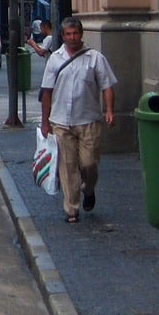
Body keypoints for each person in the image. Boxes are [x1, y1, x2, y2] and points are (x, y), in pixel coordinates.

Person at [40, 17, 118, 223]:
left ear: (81, 34)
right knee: (67, 167)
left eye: (75, 33)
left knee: (89, 164)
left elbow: (107, 85)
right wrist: (45, 121)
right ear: (63, 36)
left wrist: (110, 110)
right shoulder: (55, 59)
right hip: (61, 122)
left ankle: (88, 189)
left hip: (88, 121)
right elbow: (46, 92)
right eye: (68, 34)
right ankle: (71, 209)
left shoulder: (95, 58)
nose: (72, 37)